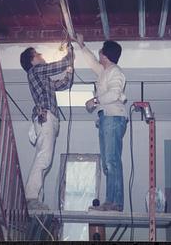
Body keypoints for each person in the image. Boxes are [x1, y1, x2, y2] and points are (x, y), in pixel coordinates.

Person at [74, 33, 127, 212]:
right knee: (107, 163)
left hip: (113, 117)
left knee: (111, 161)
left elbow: (114, 94)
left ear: (105, 55)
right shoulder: (105, 71)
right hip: (107, 118)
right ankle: (111, 201)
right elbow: (91, 62)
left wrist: (95, 101)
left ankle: (115, 203)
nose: (98, 53)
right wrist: (82, 46)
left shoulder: (115, 72)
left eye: (101, 51)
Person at [20, 45, 74, 210]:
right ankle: (30, 197)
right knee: (44, 158)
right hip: (46, 117)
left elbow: (64, 84)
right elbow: (59, 65)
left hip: (49, 118)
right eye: (37, 54)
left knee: (45, 159)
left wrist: (70, 70)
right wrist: (69, 53)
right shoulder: (36, 71)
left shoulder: (44, 79)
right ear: (32, 60)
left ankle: (34, 199)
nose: (41, 55)